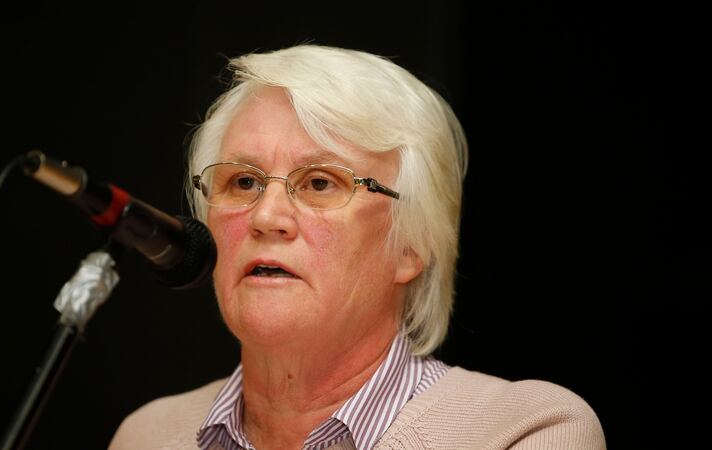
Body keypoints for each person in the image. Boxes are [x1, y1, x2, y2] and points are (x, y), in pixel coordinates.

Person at [109, 44, 605, 450]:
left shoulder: (525, 431)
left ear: (411, 244)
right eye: (242, 182)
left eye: (321, 184)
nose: (266, 217)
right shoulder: (147, 436)